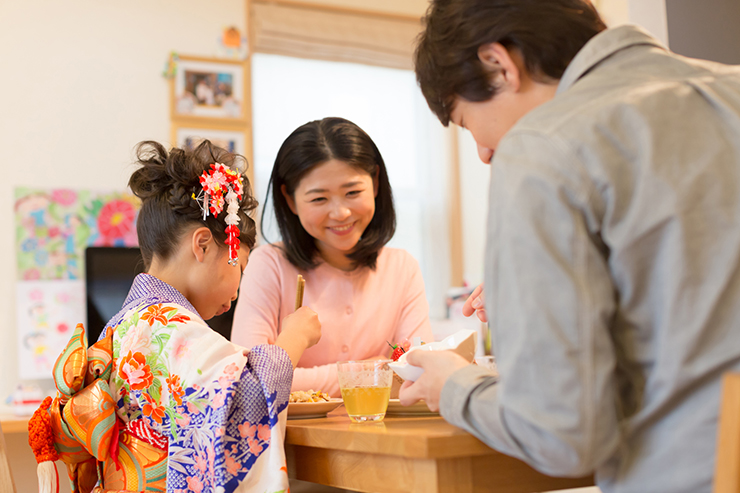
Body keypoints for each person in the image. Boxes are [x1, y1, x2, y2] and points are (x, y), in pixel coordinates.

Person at [398, 1, 740, 493]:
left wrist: (453, 387)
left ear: (499, 63)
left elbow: (561, 434)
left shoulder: (542, 146)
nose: (485, 152)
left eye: (467, 121)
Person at [33, 140, 321, 492]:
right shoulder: (168, 327)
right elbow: (242, 401)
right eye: (239, 268)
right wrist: (294, 338)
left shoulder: (127, 323)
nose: (237, 291)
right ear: (202, 245)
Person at [231, 117, 433, 397]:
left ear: (375, 183)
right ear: (290, 200)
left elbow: (419, 374)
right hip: (294, 440)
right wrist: (370, 370)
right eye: (319, 199)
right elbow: (248, 379)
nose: (340, 213)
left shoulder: (402, 268)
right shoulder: (269, 264)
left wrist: (294, 376)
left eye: (353, 192)